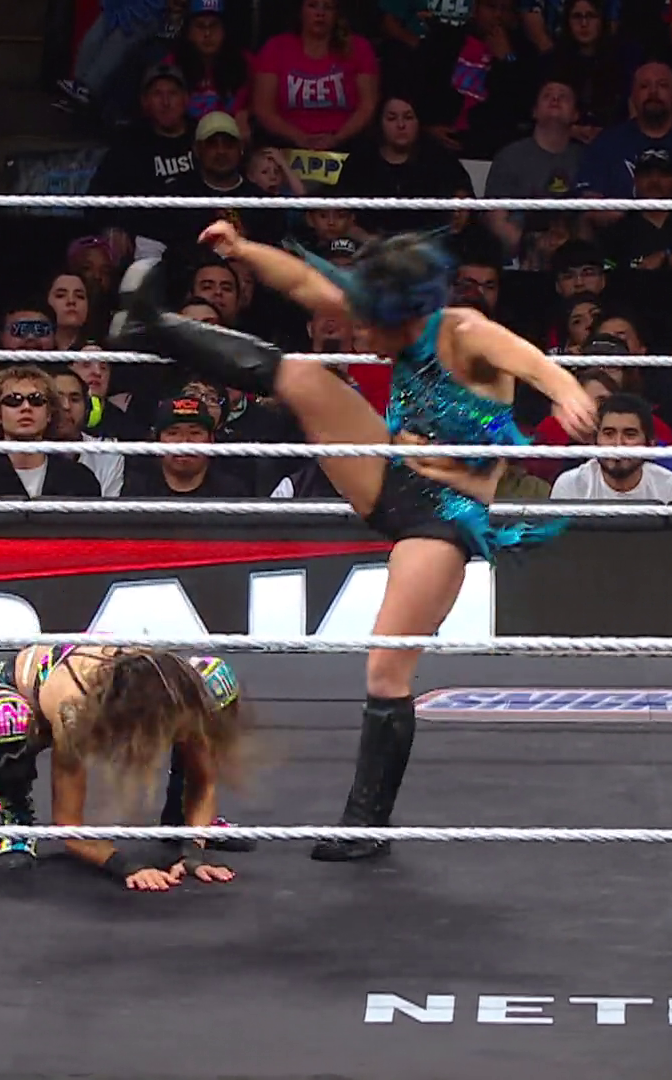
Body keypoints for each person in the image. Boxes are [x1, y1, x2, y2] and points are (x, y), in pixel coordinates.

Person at [112, 223, 597, 862]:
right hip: (387, 473)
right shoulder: (388, 315)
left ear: (404, 316)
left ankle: (366, 821)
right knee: (306, 376)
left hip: (444, 518)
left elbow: (532, 361)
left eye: (370, 328)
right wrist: (242, 249)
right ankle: (152, 326)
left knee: (386, 666)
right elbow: (307, 284)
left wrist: (567, 394)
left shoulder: (464, 331)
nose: (360, 337)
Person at [0, 645, 254, 890]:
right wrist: (127, 866)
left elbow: (203, 781)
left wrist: (193, 852)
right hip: (22, 690)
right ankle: (17, 821)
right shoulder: (74, 710)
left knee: (216, 680)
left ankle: (182, 821)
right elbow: (69, 826)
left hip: (124, 696)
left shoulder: (173, 686)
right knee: (3, 721)